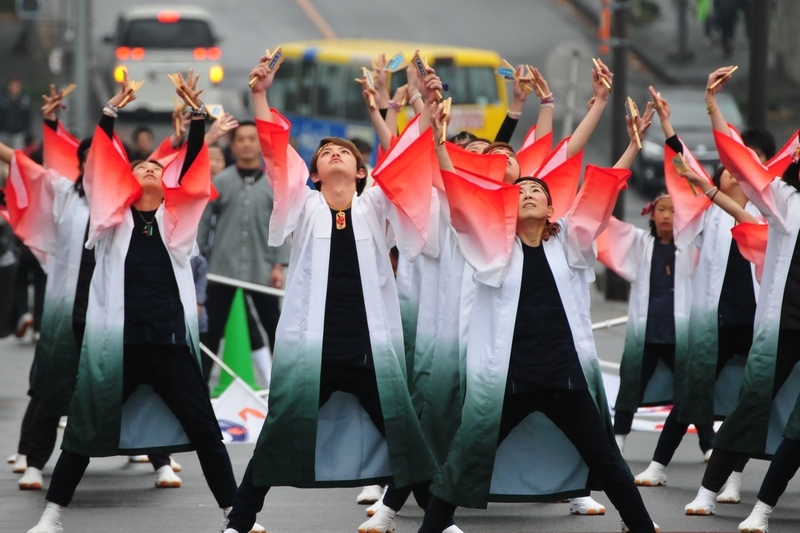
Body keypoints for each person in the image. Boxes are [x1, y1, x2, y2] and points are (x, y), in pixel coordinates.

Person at [25, 72, 263, 533]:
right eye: (140, 169)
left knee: (207, 433)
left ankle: (236, 519)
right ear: (125, 185)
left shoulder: (178, 223)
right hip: (120, 347)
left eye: (156, 167)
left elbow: (192, 168)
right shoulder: (109, 222)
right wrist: (109, 113)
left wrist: (198, 121)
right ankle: (52, 516)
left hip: (171, 345)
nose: (150, 170)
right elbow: (100, 173)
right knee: (84, 430)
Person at [416, 97, 657, 533]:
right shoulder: (492, 244)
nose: (527, 194)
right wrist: (437, 144)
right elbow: (458, 195)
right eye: (520, 191)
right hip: (507, 379)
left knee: (606, 458)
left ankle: (641, 526)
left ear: (550, 210)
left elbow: (599, 196)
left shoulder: (569, 242)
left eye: (537, 192)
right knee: (467, 456)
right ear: (507, 204)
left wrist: (633, 148)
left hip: (565, 376)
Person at [221, 53, 439, 533]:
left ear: (362, 173)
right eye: (326, 153)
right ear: (315, 173)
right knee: (278, 433)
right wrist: (260, 94)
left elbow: (406, 161)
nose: (336, 154)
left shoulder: (375, 205)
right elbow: (277, 153)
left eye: (346, 153)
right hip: (312, 348)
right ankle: (239, 522)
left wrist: (424, 103)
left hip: (368, 349)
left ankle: (437, 523)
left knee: (403, 435)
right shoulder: (304, 204)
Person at [681, 67, 800, 522]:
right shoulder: (787, 203)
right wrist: (713, 108)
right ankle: (712, 489)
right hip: (785, 325)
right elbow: (742, 164)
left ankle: (764, 505)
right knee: (752, 404)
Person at [197, 116, 290, 387]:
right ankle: (201, 388)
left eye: (253, 139)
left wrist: (278, 265)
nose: (247, 144)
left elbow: (281, 221)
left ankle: (283, 387)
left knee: (275, 328)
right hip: (221, 271)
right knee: (211, 331)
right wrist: (198, 261)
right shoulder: (221, 181)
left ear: (260, 144)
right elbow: (203, 223)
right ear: (232, 145)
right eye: (241, 140)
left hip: (263, 270)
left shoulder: (273, 183)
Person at [0, 77, 32, 149]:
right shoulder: (3, 100)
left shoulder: (24, 101)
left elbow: (28, 117)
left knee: (16, 154)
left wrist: (27, 131)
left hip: (18, 133)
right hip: (4, 132)